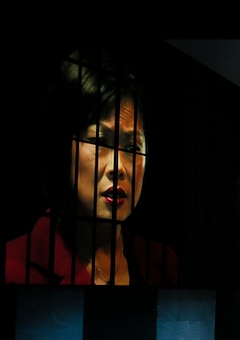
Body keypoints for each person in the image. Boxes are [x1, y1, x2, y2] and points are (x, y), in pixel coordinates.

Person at [4, 46, 178, 286]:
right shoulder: (15, 267)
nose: (117, 167)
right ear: (64, 147)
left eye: (131, 148)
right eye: (99, 141)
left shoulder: (163, 264)